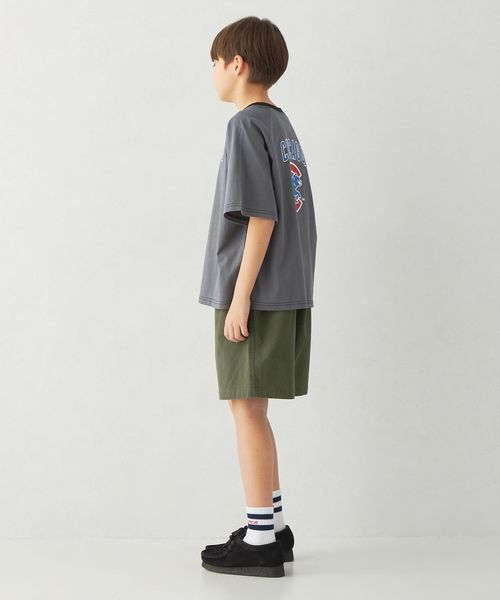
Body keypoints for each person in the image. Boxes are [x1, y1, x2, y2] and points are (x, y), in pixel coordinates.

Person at [198, 15, 317, 578]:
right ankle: (271, 526)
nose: (213, 72)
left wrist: (240, 295)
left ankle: (261, 540)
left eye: (215, 62)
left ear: (237, 64)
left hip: (257, 292)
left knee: (244, 408)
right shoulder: (280, 124)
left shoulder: (245, 125)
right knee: (254, 409)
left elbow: (262, 216)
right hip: (285, 289)